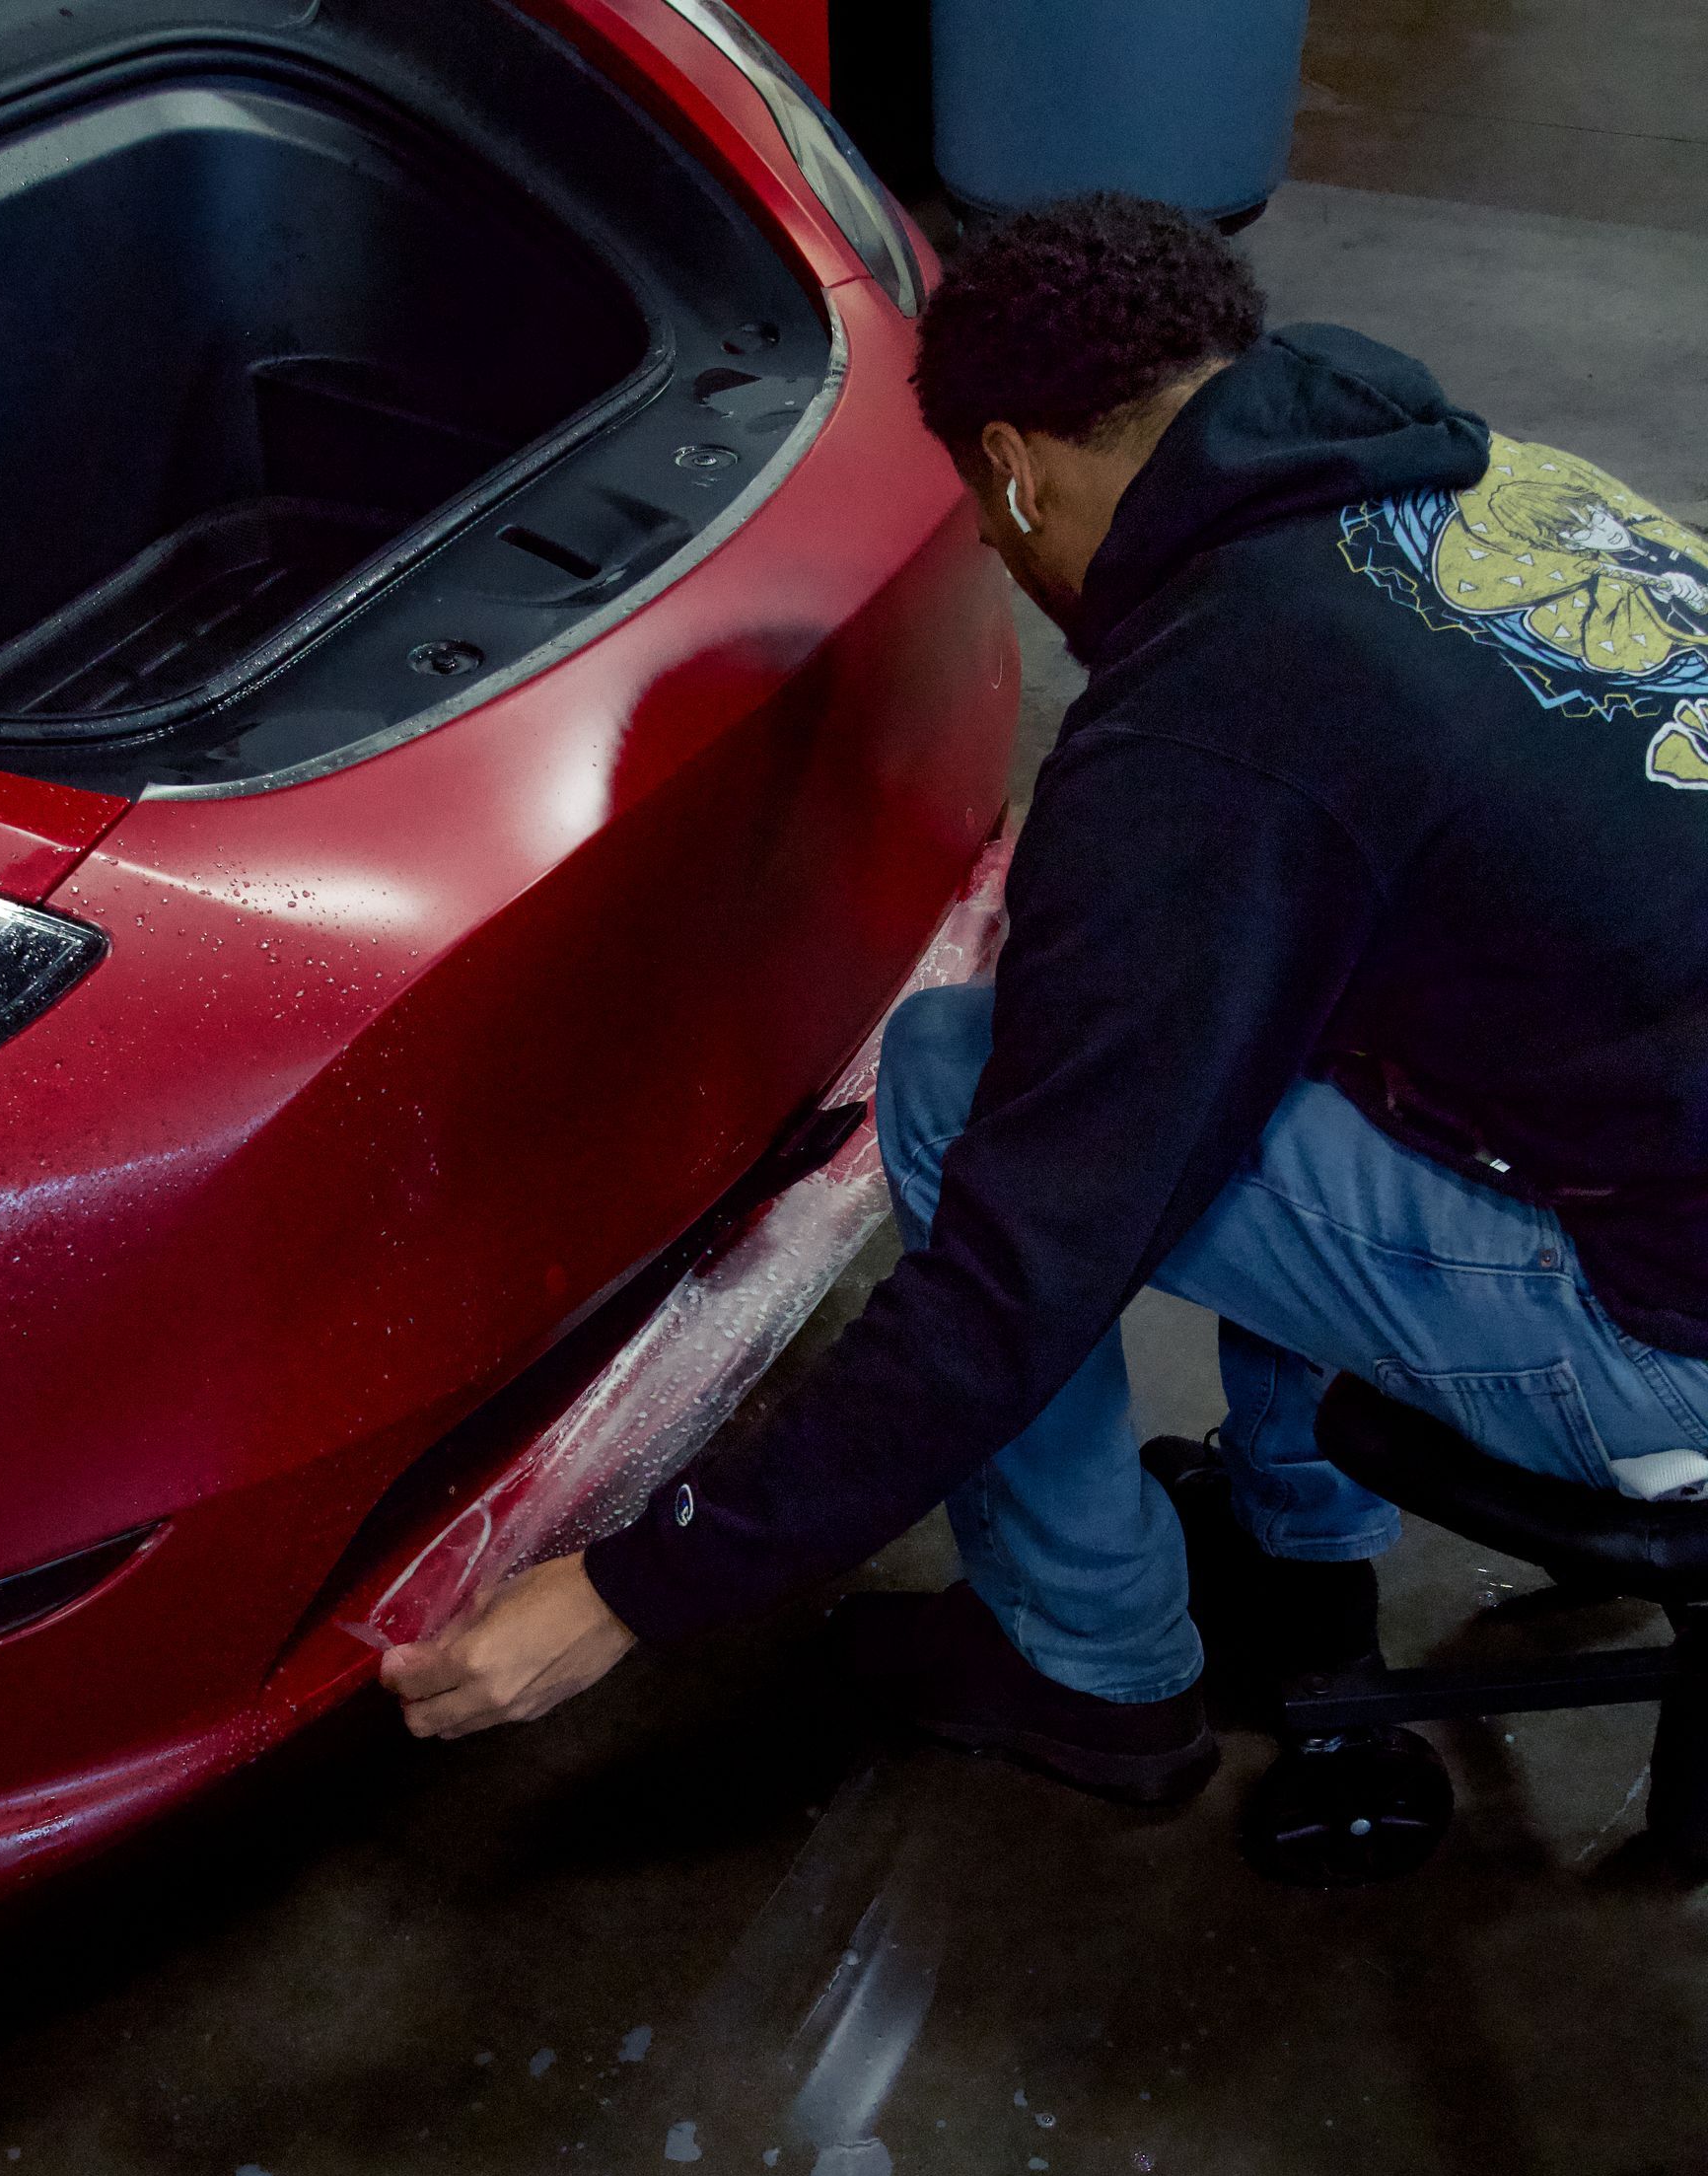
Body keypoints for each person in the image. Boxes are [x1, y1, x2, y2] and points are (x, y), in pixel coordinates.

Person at [382, 192, 1708, 1801]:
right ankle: (1302, 1542)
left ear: (1010, 463)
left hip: (1668, 1346)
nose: (1009, 563)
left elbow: (1024, 1269)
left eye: (989, 523)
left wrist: (623, 1590)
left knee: (961, 1076)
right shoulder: (1488, 482)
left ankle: (1087, 1665)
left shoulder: (1208, 732)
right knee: (1287, 1009)